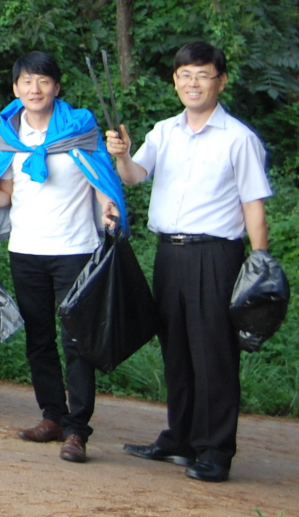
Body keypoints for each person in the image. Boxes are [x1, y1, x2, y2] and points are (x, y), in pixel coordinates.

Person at [107, 41, 272, 484]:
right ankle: (180, 437)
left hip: (217, 257)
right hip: (170, 254)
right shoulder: (164, 131)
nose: (193, 82)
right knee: (176, 349)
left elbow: (253, 205)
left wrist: (260, 264)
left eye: (202, 74)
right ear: (175, 81)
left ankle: (216, 450)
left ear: (220, 80)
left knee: (214, 353)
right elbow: (134, 176)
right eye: (185, 75)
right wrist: (121, 154)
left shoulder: (239, 139)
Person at [0, 51, 123, 463]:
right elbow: (7, 193)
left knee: (76, 340)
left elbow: (98, 176)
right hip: (26, 251)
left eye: (42, 81)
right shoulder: (10, 135)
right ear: (15, 89)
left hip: (75, 251)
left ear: (56, 87)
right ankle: (52, 416)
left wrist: (109, 204)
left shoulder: (80, 128)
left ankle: (78, 429)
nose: (34, 89)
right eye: (26, 82)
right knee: (39, 339)